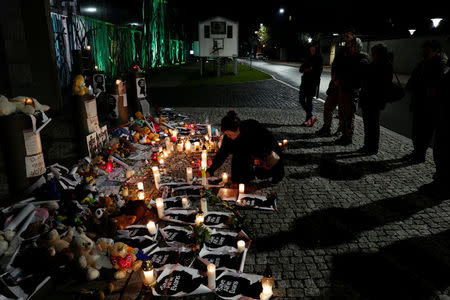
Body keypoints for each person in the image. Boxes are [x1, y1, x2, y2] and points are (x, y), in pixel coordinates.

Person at [206, 111, 284, 184]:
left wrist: (258, 157)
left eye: (229, 134)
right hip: (243, 154)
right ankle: (247, 176)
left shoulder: (252, 127)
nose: (228, 137)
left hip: (262, 152)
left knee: (265, 171)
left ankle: (276, 173)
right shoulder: (228, 138)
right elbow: (222, 153)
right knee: (237, 179)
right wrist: (211, 170)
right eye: (226, 134)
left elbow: (270, 142)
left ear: (237, 130)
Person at [406, 40, 447, 163]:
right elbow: (415, 79)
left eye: (427, 49)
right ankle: (417, 152)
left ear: (435, 51)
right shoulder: (424, 63)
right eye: (423, 49)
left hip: (429, 105)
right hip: (420, 102)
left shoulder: (440, 64)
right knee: (416, 131)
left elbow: (438, 84)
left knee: (424, 132)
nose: (423, 51)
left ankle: (420, 155)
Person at [316, 28, 356, 137]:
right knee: (328, 105)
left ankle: (343, 132)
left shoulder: (355, 50)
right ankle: (326, 128)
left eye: (348, 35)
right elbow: (334, 64)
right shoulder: (341, 50)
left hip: (346, 86)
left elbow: (353, 70)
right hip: (335, 84)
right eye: (345, 35)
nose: (346, 37)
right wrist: (334, 78)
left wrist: (342, 80)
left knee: (345, 112)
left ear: (353, 36)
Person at [359, 43, 393, 154]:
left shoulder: (381, 65)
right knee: (369, 124)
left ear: (378, 54)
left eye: (373, 53)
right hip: (372, 99)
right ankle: (368, 145)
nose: (372, 55)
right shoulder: (382, 64)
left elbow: (372, 79)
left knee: (372, 124)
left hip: (373, 99)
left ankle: (372, 147)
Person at [299, 42, 323, 127]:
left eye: (314, 47)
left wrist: (308, 69)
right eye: (311, 47)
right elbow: (301, 69)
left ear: (316, 48)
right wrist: (309, 68)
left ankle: (308, 121)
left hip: (312, 83)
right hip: (304, 82)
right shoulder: (308, 57)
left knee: (309, 102)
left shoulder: (319, 58)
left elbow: (318, 72)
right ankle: (311, 116)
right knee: (301, 100)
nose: (312, 49)